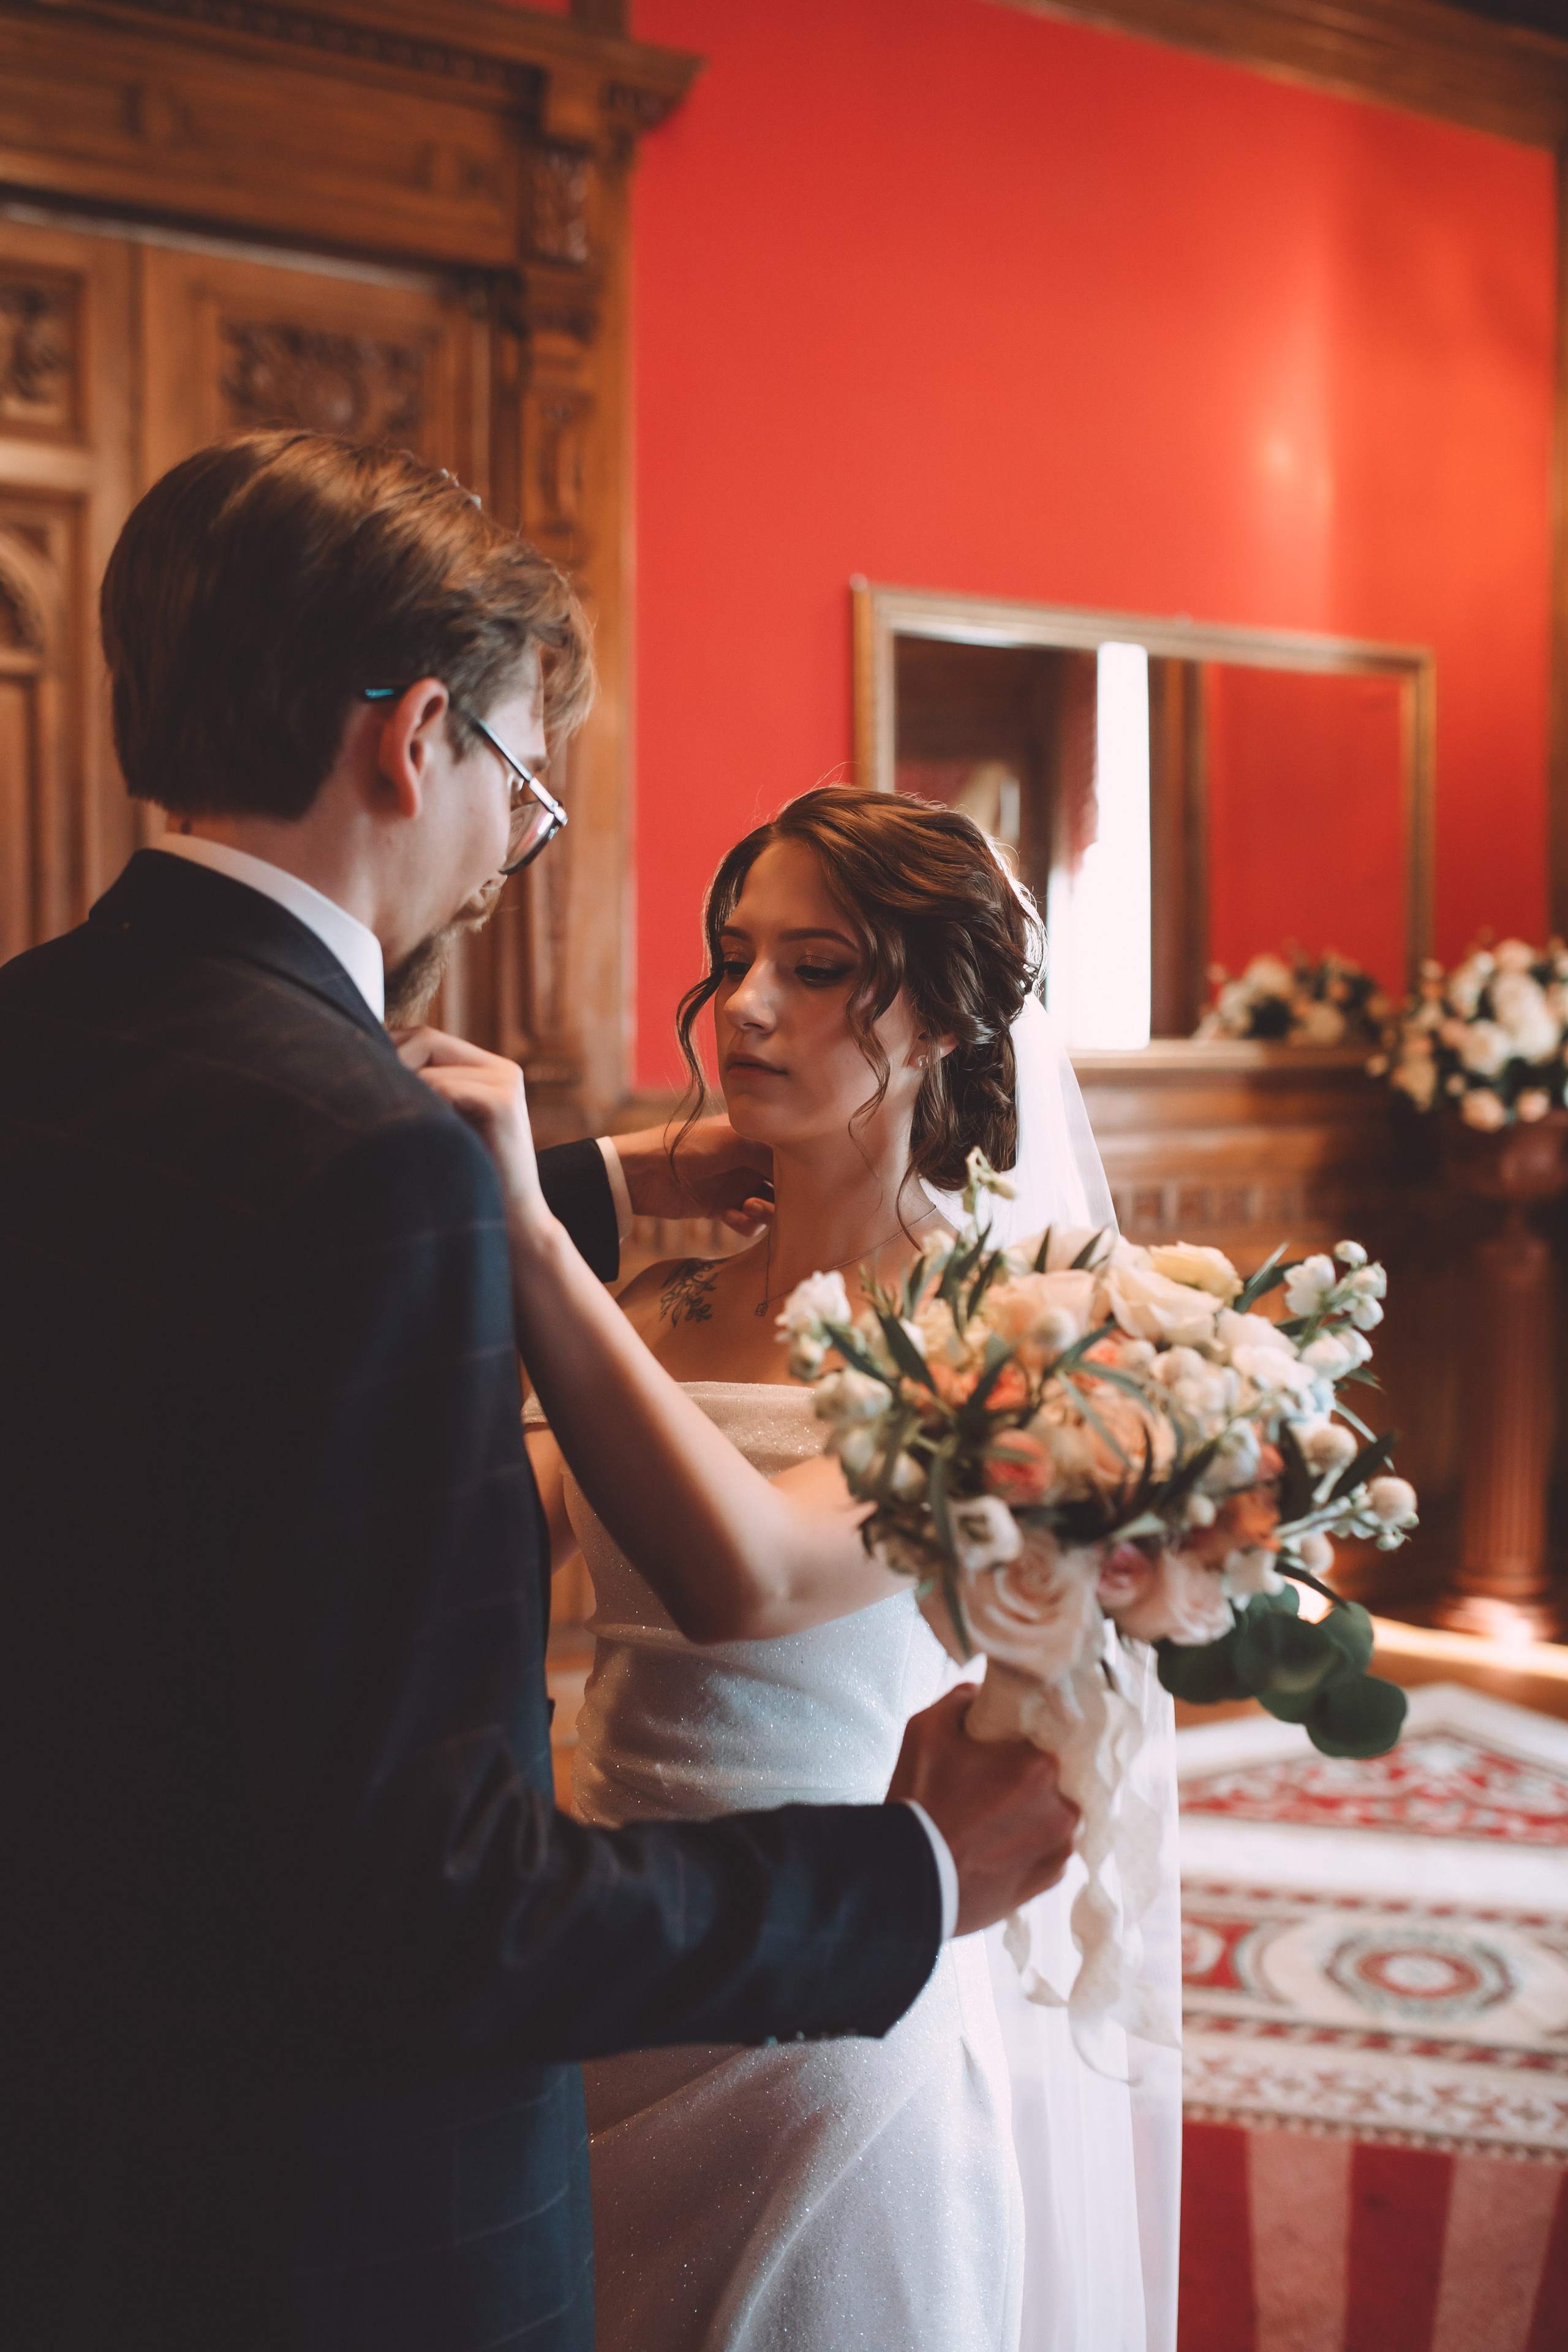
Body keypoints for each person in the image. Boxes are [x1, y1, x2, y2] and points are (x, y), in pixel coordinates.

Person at [0, 434, 1079, 2352]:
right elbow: (421, 1888)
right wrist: (910, 1877)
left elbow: (238, 1312)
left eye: (810, 972)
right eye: (523, 776)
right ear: (418, 741)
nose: (520, 838)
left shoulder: (34, 1035)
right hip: (331, 2191)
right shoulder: (394, 1178)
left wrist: (556, 1191)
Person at [437, 787, 1181, 2351]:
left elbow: (751, 1576)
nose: (752, 1006)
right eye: (736, 957)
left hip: (833, 1996)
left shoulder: (1015, 1329)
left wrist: (525, 1226)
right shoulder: (658, 1300)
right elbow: (491, 1548)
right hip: (608, 1951)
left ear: (946, 1014)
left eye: (821, 966)